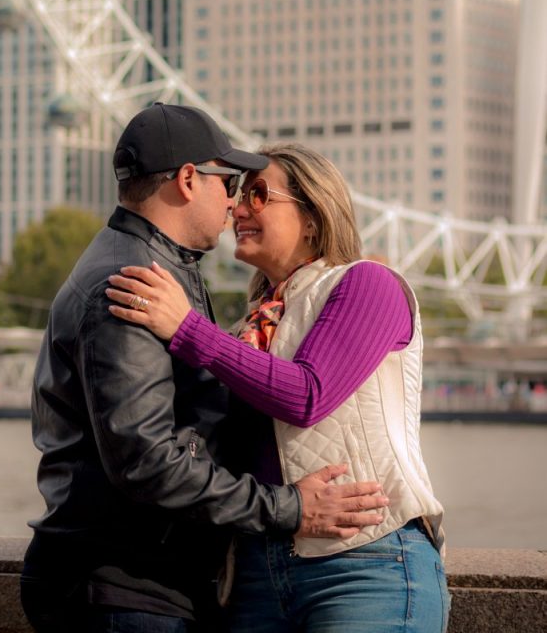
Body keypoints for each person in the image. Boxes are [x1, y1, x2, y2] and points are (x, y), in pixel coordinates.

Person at [22, 106, 390, 633]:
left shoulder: (156, 270)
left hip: (136, 581)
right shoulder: (133, 285)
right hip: (127, 588)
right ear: (190, 180)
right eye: (231, 182)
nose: (234, 201)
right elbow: (147, 461)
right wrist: (288, 509)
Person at [107, 141, 450, 632]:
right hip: (254, 573)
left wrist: (185, 328)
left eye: (260, 194)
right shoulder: (252, 325)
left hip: (366, 562)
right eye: (239, 194)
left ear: (313, 215)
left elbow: (306, 395)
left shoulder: (369, 285)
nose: (238, 207)